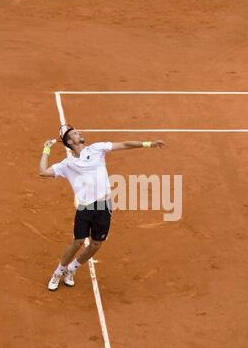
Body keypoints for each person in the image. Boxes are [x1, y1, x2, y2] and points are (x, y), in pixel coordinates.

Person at [39, 124, 165, 291]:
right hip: (85, 208)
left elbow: (124, 144)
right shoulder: (67, 164)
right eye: (76, 133)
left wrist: (148, 144)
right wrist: (46, 150)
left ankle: (72, 269)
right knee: (77, 242)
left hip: (104, 206)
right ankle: (58, 272)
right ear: (70, 141)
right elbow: (43, 171)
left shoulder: (97, 149)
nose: (80, 132)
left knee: (96, 244)